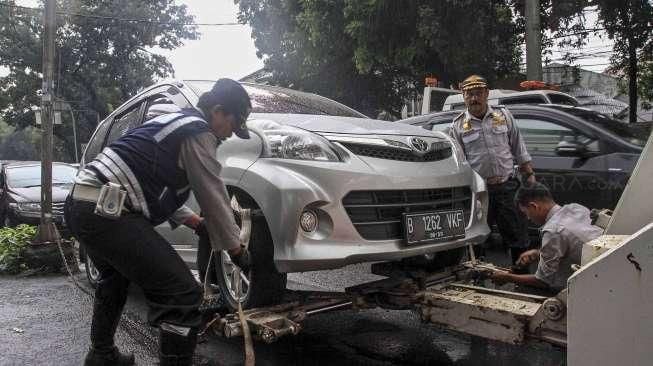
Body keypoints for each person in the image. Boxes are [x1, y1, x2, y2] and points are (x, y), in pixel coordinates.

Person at [64, 78, 252, 366]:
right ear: (217, 110)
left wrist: (193, 222)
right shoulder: (198, 131)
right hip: (106, 212)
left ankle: (101, 355)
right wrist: (236, 249)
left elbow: (148, 187)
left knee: (115, 277)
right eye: (233, 123)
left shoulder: (174, 124)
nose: (231, 134)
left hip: (83, 205)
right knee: (181, 294)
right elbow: (213, 194)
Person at [448, 75, 535, 264]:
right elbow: (460, 162)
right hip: (479, 193)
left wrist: (529, 175)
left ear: (487, 94)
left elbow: (518, 146)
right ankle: (479, 281)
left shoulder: (503, 115)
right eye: (469, 94)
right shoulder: (457, 125)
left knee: (518, 237)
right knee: (476, 240)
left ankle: (521, 279)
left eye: (478, 93)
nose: (474, 98)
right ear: (463, 96)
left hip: (507, 186)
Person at [491, 182, 603, 291]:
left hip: (592, 282)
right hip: (604, 264)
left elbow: (542, 281)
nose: (528, 218)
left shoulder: (553, 231)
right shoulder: (575, 207)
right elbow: (572, 244)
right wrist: (538, 253)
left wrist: (508, 278)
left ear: (533, 206)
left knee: (523, 290)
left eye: (526, 213)